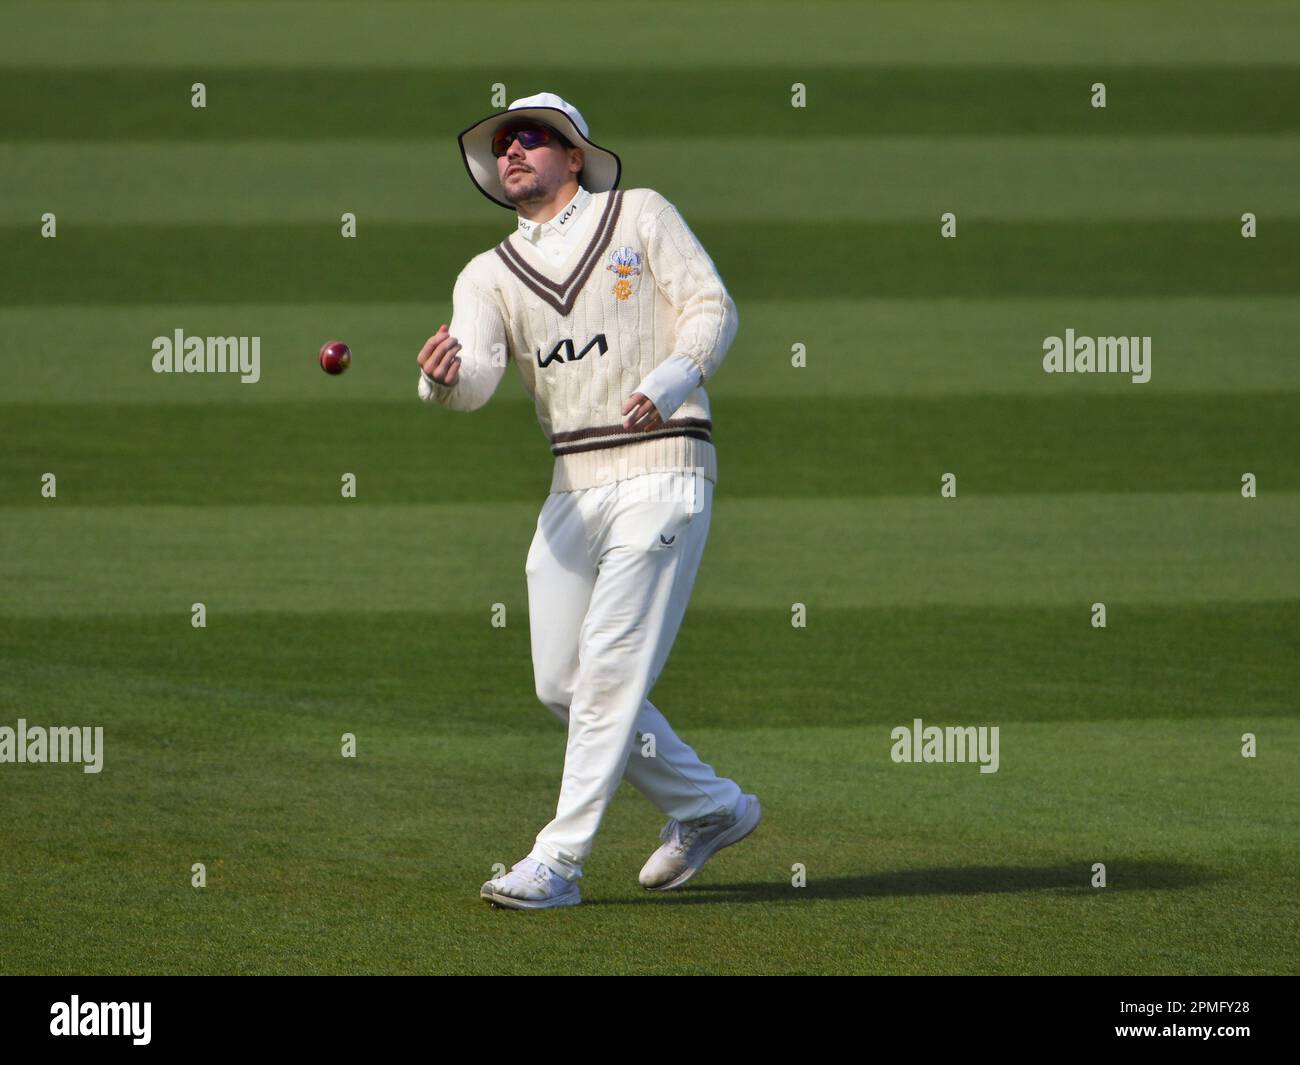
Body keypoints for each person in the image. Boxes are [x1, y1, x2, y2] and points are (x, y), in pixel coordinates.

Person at [418, 92, 760, 910]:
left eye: (533, 138)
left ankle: (558, 861)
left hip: (663, 464)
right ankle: (707, 805)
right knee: (563, 681)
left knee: (607, 669)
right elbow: (478, 379)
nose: (512, 152)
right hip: (573, 481)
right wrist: (440, 380)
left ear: (575, 155)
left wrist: (671, 381)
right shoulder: (486, 273)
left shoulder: (639, 214)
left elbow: (714, 306)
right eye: (503, 143)